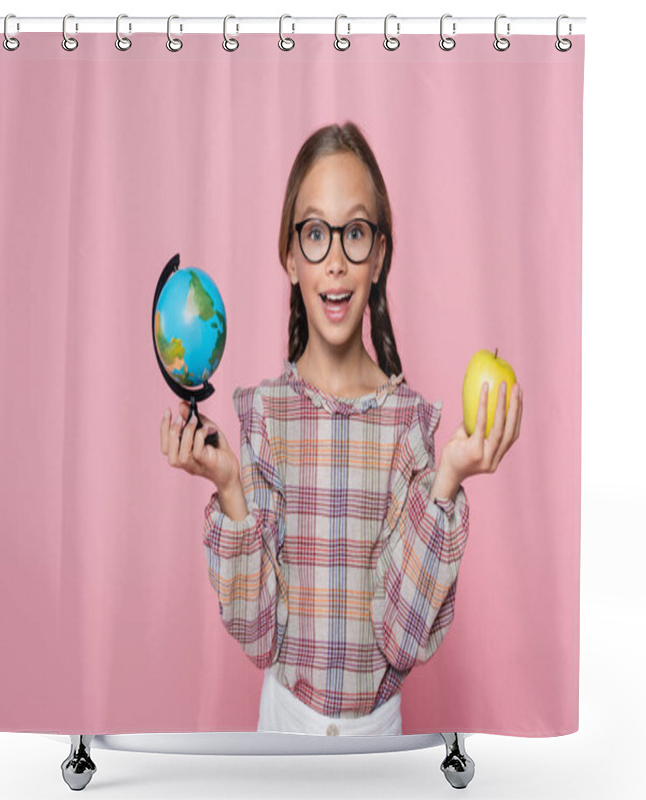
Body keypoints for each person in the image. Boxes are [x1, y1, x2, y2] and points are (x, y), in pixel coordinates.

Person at [160, 121, 523, 736]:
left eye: (354, 233)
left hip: (378, 738)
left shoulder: (410, 425)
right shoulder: (263, 417)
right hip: (282, 725)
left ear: (379, 257)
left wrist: (447, 482)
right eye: (315, 234)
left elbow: (401, 640)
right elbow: (258, 633)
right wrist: (229, 490)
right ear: (290, 256)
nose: (334, 259)